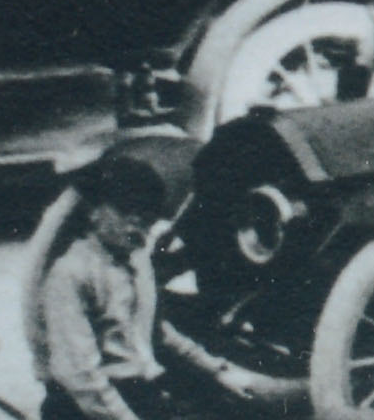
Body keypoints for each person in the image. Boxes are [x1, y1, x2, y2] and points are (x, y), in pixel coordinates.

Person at [33, 151, 236, 420]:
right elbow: (79, 374)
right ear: (93, 211)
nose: (137, 222)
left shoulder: (137, 263)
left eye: (145, 215)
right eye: (125, 210)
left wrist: (216, 369)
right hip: (85, 405)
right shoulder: (71, 273)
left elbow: (155, 331)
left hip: (138, 390)